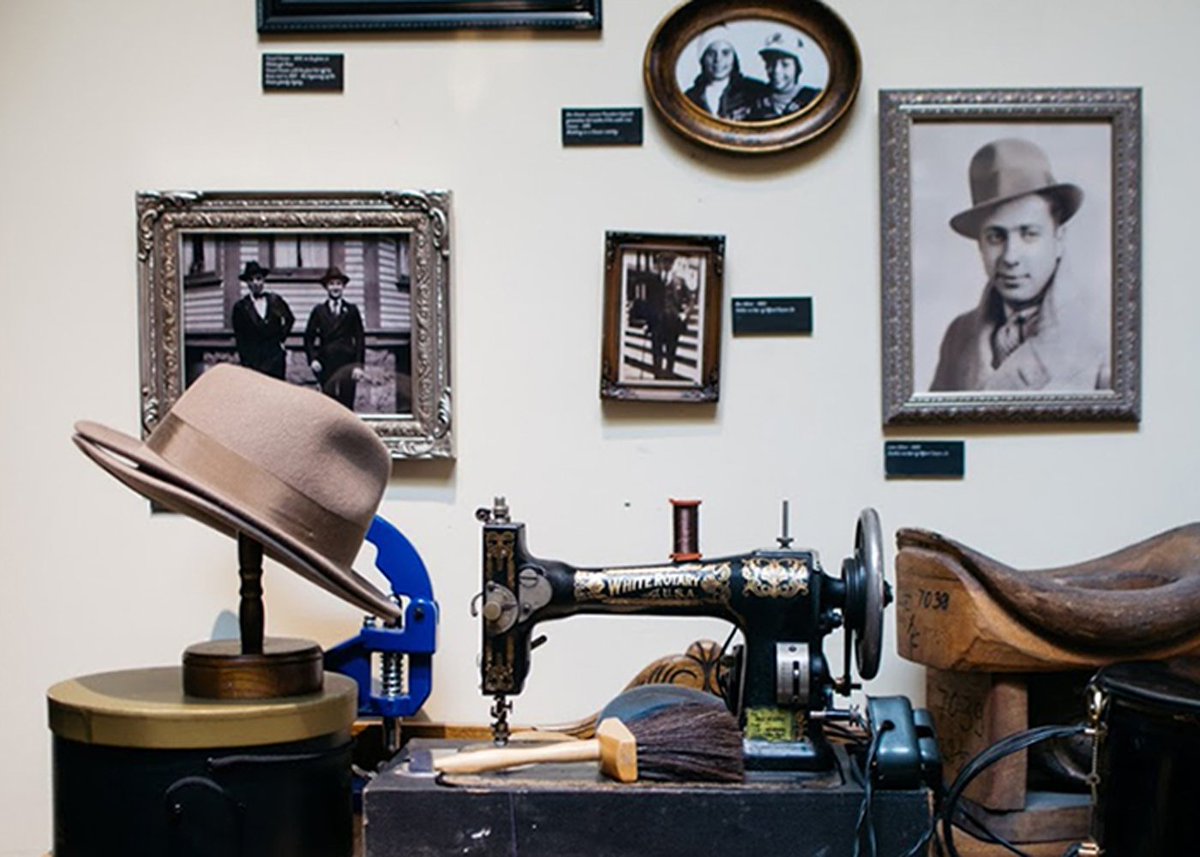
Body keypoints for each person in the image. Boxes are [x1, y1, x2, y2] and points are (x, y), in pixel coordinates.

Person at [930, 138, 1110, 392]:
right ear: (980, 244)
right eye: (995, 236)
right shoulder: (958, 337)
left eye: (1028, 233)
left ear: (1059, 237)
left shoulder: (1103, 334)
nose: (1010, 257)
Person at [304, 265, 366, 409]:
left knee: (347, 402)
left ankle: (346, 431)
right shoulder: (319, 311)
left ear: (343, 286)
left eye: (338, 284)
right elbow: (308, 338)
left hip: (347, 363)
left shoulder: (351, 310)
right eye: (331, 284)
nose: (335, 287)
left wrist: (358, 365)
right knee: (328, 402)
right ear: (326, 287)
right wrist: (313, 359)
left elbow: (360, 339)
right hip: (326, 363)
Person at [230, 260, 294, 379]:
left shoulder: (275, 300)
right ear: (247, 283)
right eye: (251, 280)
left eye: (259, 279)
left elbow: (290, 319)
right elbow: (240, 338)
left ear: (263, 280)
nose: (255, 283)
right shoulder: (241, 307)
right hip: (255, 362)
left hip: (275, 359)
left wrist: (281, 340)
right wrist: (246, 362)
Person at [683, 29, 766, 121]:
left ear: (734, 57)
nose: (718, 60)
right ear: (702, 58)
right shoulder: (689, 98)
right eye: (711, 53)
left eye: (725, 53)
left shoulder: (754, 90)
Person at [748, 32, 821, 120]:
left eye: (785, 64)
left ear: (797, 67)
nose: (776, 71)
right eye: (771, 63)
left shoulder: (814, 98)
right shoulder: (754, 99)